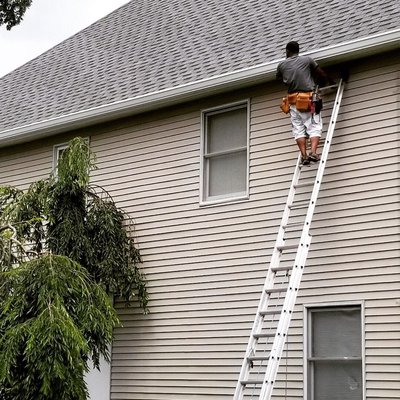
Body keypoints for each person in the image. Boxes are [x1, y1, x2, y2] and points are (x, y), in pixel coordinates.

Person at [276, 41, 330, 165]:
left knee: (298, 128)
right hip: (308, 101)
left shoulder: (281, 65)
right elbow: (320, 73)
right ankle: (313, 152)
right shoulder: (307, 60)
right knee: (314, 125)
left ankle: (304, 156)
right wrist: (326, 82)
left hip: (293, 102)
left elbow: (279, 78)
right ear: (298, 50)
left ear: (287, 51)